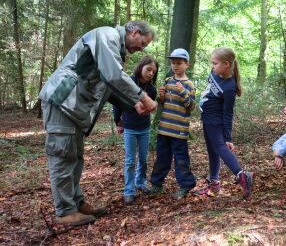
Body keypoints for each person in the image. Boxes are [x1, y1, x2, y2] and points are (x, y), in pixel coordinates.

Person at [39, 20, 158, 226]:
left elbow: (106, 86)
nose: (141, 49)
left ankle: (76, 203)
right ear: (135, 32)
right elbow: (112, 75)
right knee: (63, 156)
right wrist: (142, 96)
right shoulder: (106, 35)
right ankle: (65, 212)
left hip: (74, 108)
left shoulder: (113, 48)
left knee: (75, 157)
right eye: (143, 43)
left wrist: (132, 104)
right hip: (62, 100)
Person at [194, 47, 255, 198]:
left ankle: (242, 175)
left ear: (226, 64)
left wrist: (228, 137)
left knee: (220, 148)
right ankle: (214, 183)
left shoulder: (229, 87)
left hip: (215, 121)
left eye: (215, 63)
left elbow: (228, 113)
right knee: (212, 151)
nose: (212, 66)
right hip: (207, 119)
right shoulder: (215, 74)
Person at [145, 48, 197, 199]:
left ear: (186, 64)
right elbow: (163, 104)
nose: (175, 66)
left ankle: (185, 186)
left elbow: (190, 107)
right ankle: (156, 185)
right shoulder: (168, 81)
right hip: (164, 129)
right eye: (173, 63)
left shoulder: (189, 85)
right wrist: (161, 97)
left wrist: (182, 91)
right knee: (162, 158)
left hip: (179, 130)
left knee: (181, 159)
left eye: (179, 63)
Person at [113, 56, 158, 205]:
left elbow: (150, 107)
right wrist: (118, 122)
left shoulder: (151, 89)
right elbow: (117, 102)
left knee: (143, 159)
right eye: (148, 69)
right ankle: (129, 190)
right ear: (141, 67)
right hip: (130, 127)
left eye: (154, 71)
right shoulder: (130, 82)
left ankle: (140, 183)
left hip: (144, 127)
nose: (151, 73)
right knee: (131, 160)